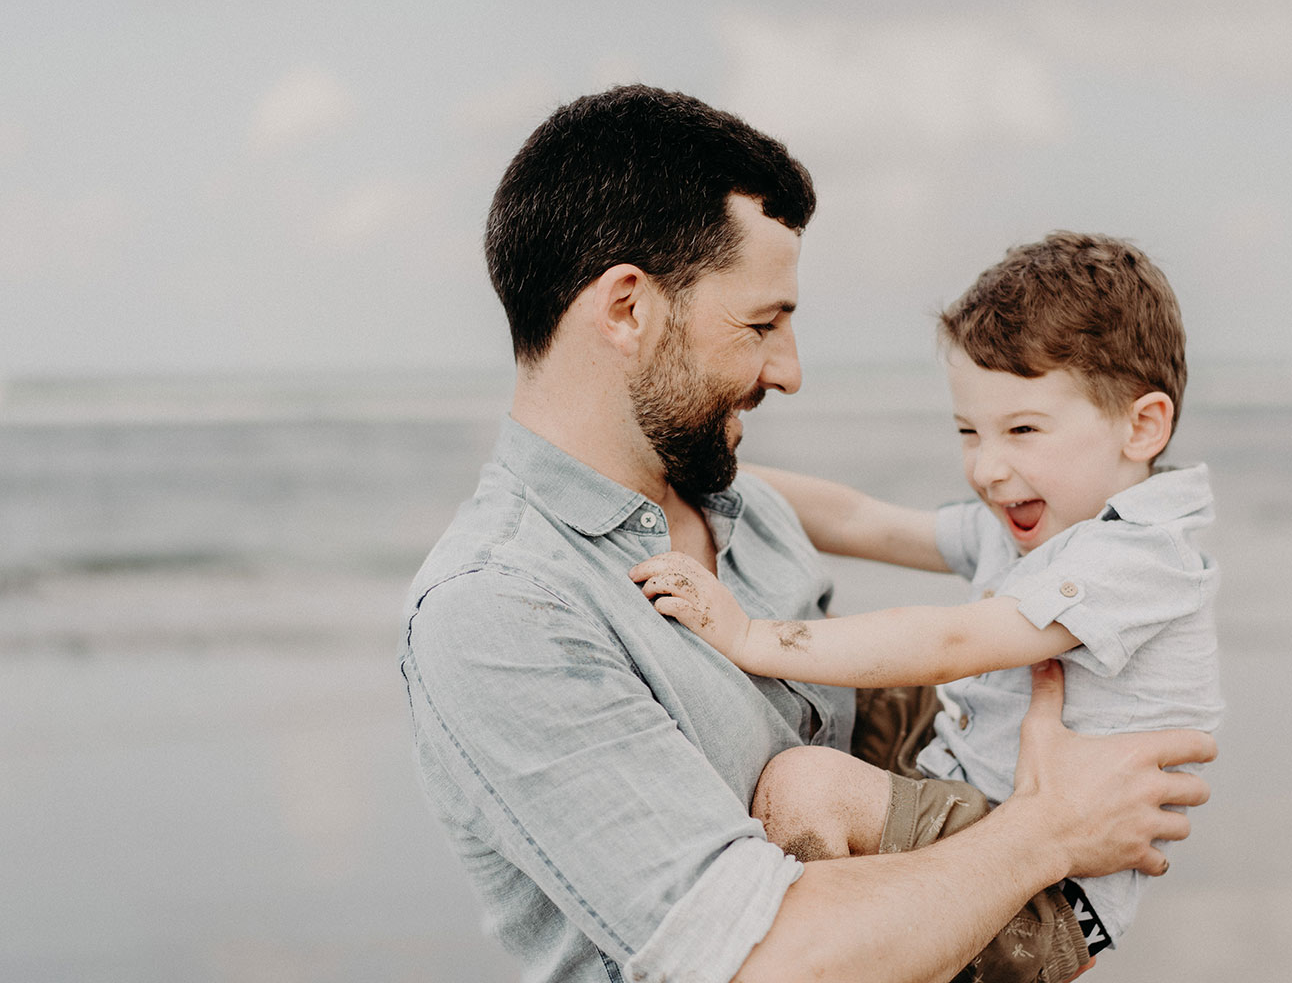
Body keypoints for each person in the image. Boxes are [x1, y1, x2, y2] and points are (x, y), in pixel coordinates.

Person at [400, 85, 1216, 983]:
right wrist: (1049, 830)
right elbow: (770, 963)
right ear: (628, 309)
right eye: (762, 325)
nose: (789, 372)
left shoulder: (751, 516)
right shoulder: (503, 610)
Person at [631, 231, 1224, 967]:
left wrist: (752, 635)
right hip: (963, 769)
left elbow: (954, 642)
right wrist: (685, 467)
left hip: (1047, 899)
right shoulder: (1048, 518)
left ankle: (840, 946)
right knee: (814, 674)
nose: (987, 467)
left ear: (1143, 426)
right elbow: (862, 521)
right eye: (969, 432)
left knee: (804, 784)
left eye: (1023, 430)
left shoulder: (1138, 556)